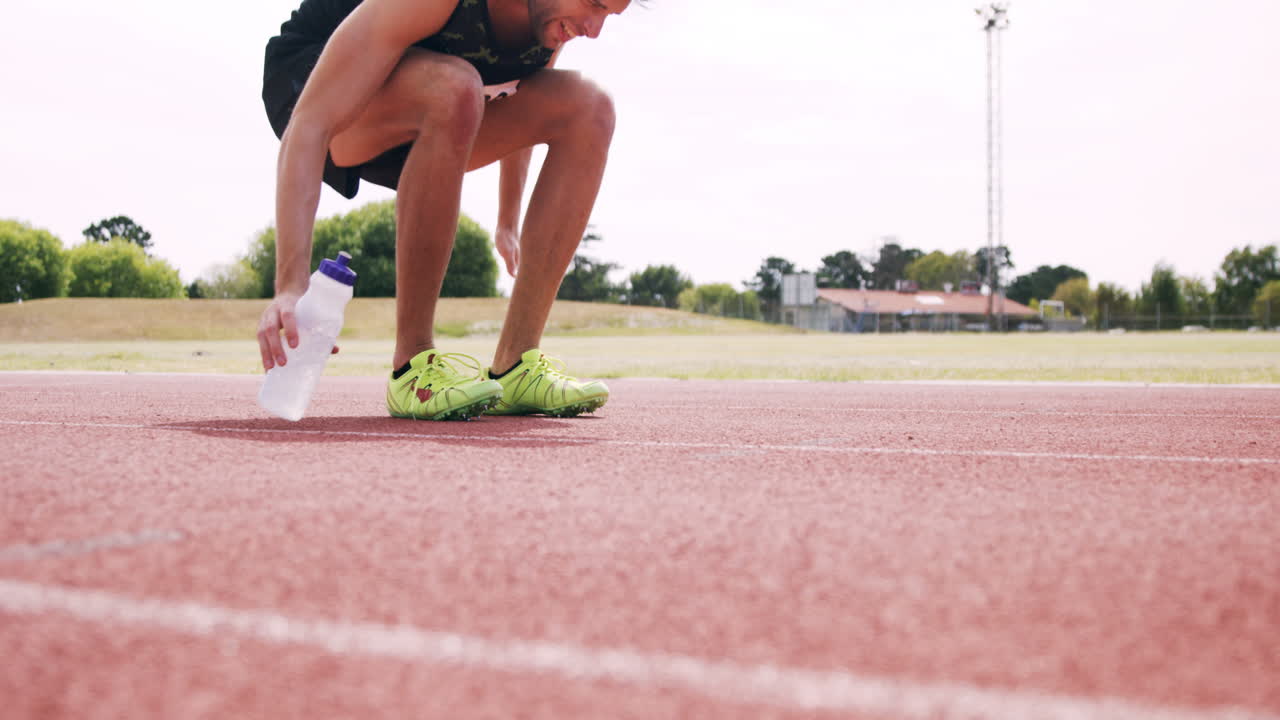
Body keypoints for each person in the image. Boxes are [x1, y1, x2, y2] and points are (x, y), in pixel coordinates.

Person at [258, 0, 630, 420]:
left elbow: (520, 83)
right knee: (456, 87)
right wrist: (289, 286)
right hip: (316, 92)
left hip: (442, 108)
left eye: (610, 15)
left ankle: (516, 366)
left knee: (588, 107)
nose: (594, 29)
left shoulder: (547, 20)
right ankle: (412, 366)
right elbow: (309, 123)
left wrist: (507, 221)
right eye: (594, 4)